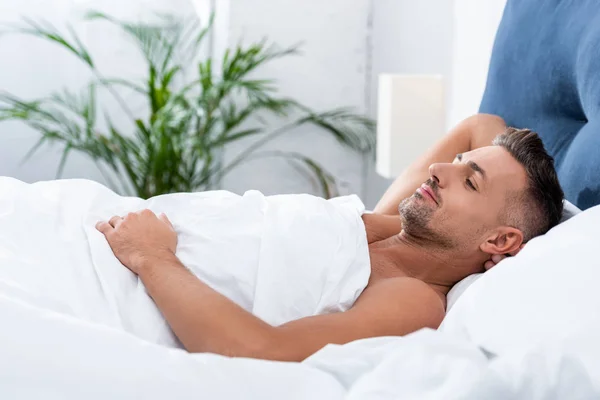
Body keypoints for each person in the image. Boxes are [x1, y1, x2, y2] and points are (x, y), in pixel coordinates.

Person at [95, 114, 564, 362]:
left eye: (470, 180)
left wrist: (152, 256)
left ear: (502, 241)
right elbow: (479, 122)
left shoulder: (412, 298)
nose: (440, 170)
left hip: (121, 277)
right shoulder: (386, 225)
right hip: (102, 226)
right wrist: (502, 163)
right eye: (458, 161)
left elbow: (260, 352)